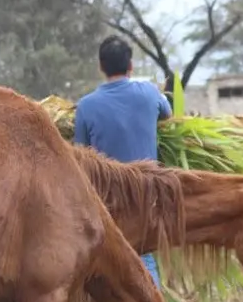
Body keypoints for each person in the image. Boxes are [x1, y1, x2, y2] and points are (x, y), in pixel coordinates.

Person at [73, 34, 171, 288]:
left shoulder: (85, 106)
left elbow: (80, 152)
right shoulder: (149, 93)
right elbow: (167, 113)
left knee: (108, 260)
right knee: (143, 255)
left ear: (100, 66)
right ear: (131, 66)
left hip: (107, 200)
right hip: (146, 194)